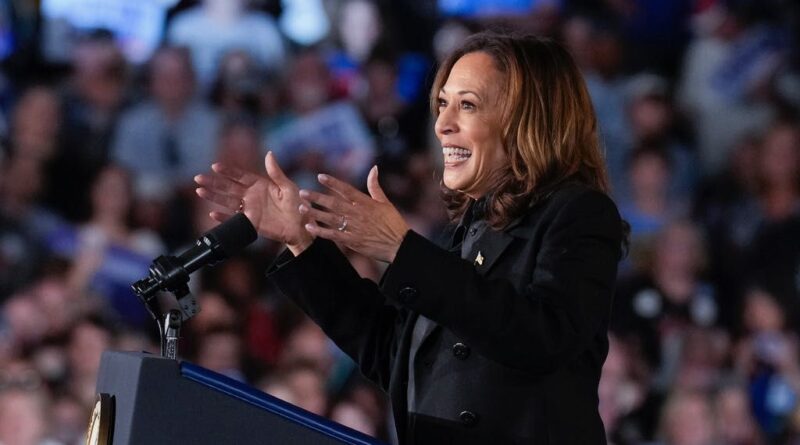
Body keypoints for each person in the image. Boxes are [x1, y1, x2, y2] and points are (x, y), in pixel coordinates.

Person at [196, 32, 625, 444]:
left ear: (527, 119)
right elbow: (392, 355)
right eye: (442, 104)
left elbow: (543, 338)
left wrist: (401, 250)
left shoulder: (579, 213)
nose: (442, 124)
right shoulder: (465, 231)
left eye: (468, 105)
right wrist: (302, 244)